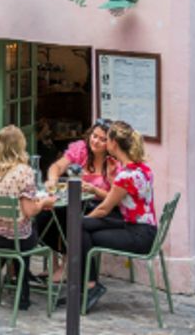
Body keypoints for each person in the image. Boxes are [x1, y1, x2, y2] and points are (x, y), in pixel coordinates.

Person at [77, 121, 157, 315]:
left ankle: (90, 285)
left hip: (137, 235)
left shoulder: (125, 176)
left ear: (113, 143)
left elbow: (104, 209)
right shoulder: (142, 168)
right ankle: (88, 285)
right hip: (145, 229)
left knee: (79, 229)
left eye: (107, 138)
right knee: (82, 227)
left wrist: (84, 220)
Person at [0, 125, 57, 311]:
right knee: (30, 230)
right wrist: (44, 203)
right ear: (21, 145)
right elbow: (29, 211)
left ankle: (3, 262)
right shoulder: (23, 171)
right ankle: (23, 297)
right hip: (13, 241)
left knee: (20, 230)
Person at [43, 118, 121, 280]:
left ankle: (67, 265)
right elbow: (57, 167)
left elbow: (116, 199)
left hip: (101, 208)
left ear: (111, 143)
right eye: (94, 136)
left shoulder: (113, 163)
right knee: (46, 213)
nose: (96, 141)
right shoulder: (81, 149)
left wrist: (94, 190)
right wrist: (52, 180)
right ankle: (56, 263)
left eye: (102, 139)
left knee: (67, 217)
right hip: (76, 204)